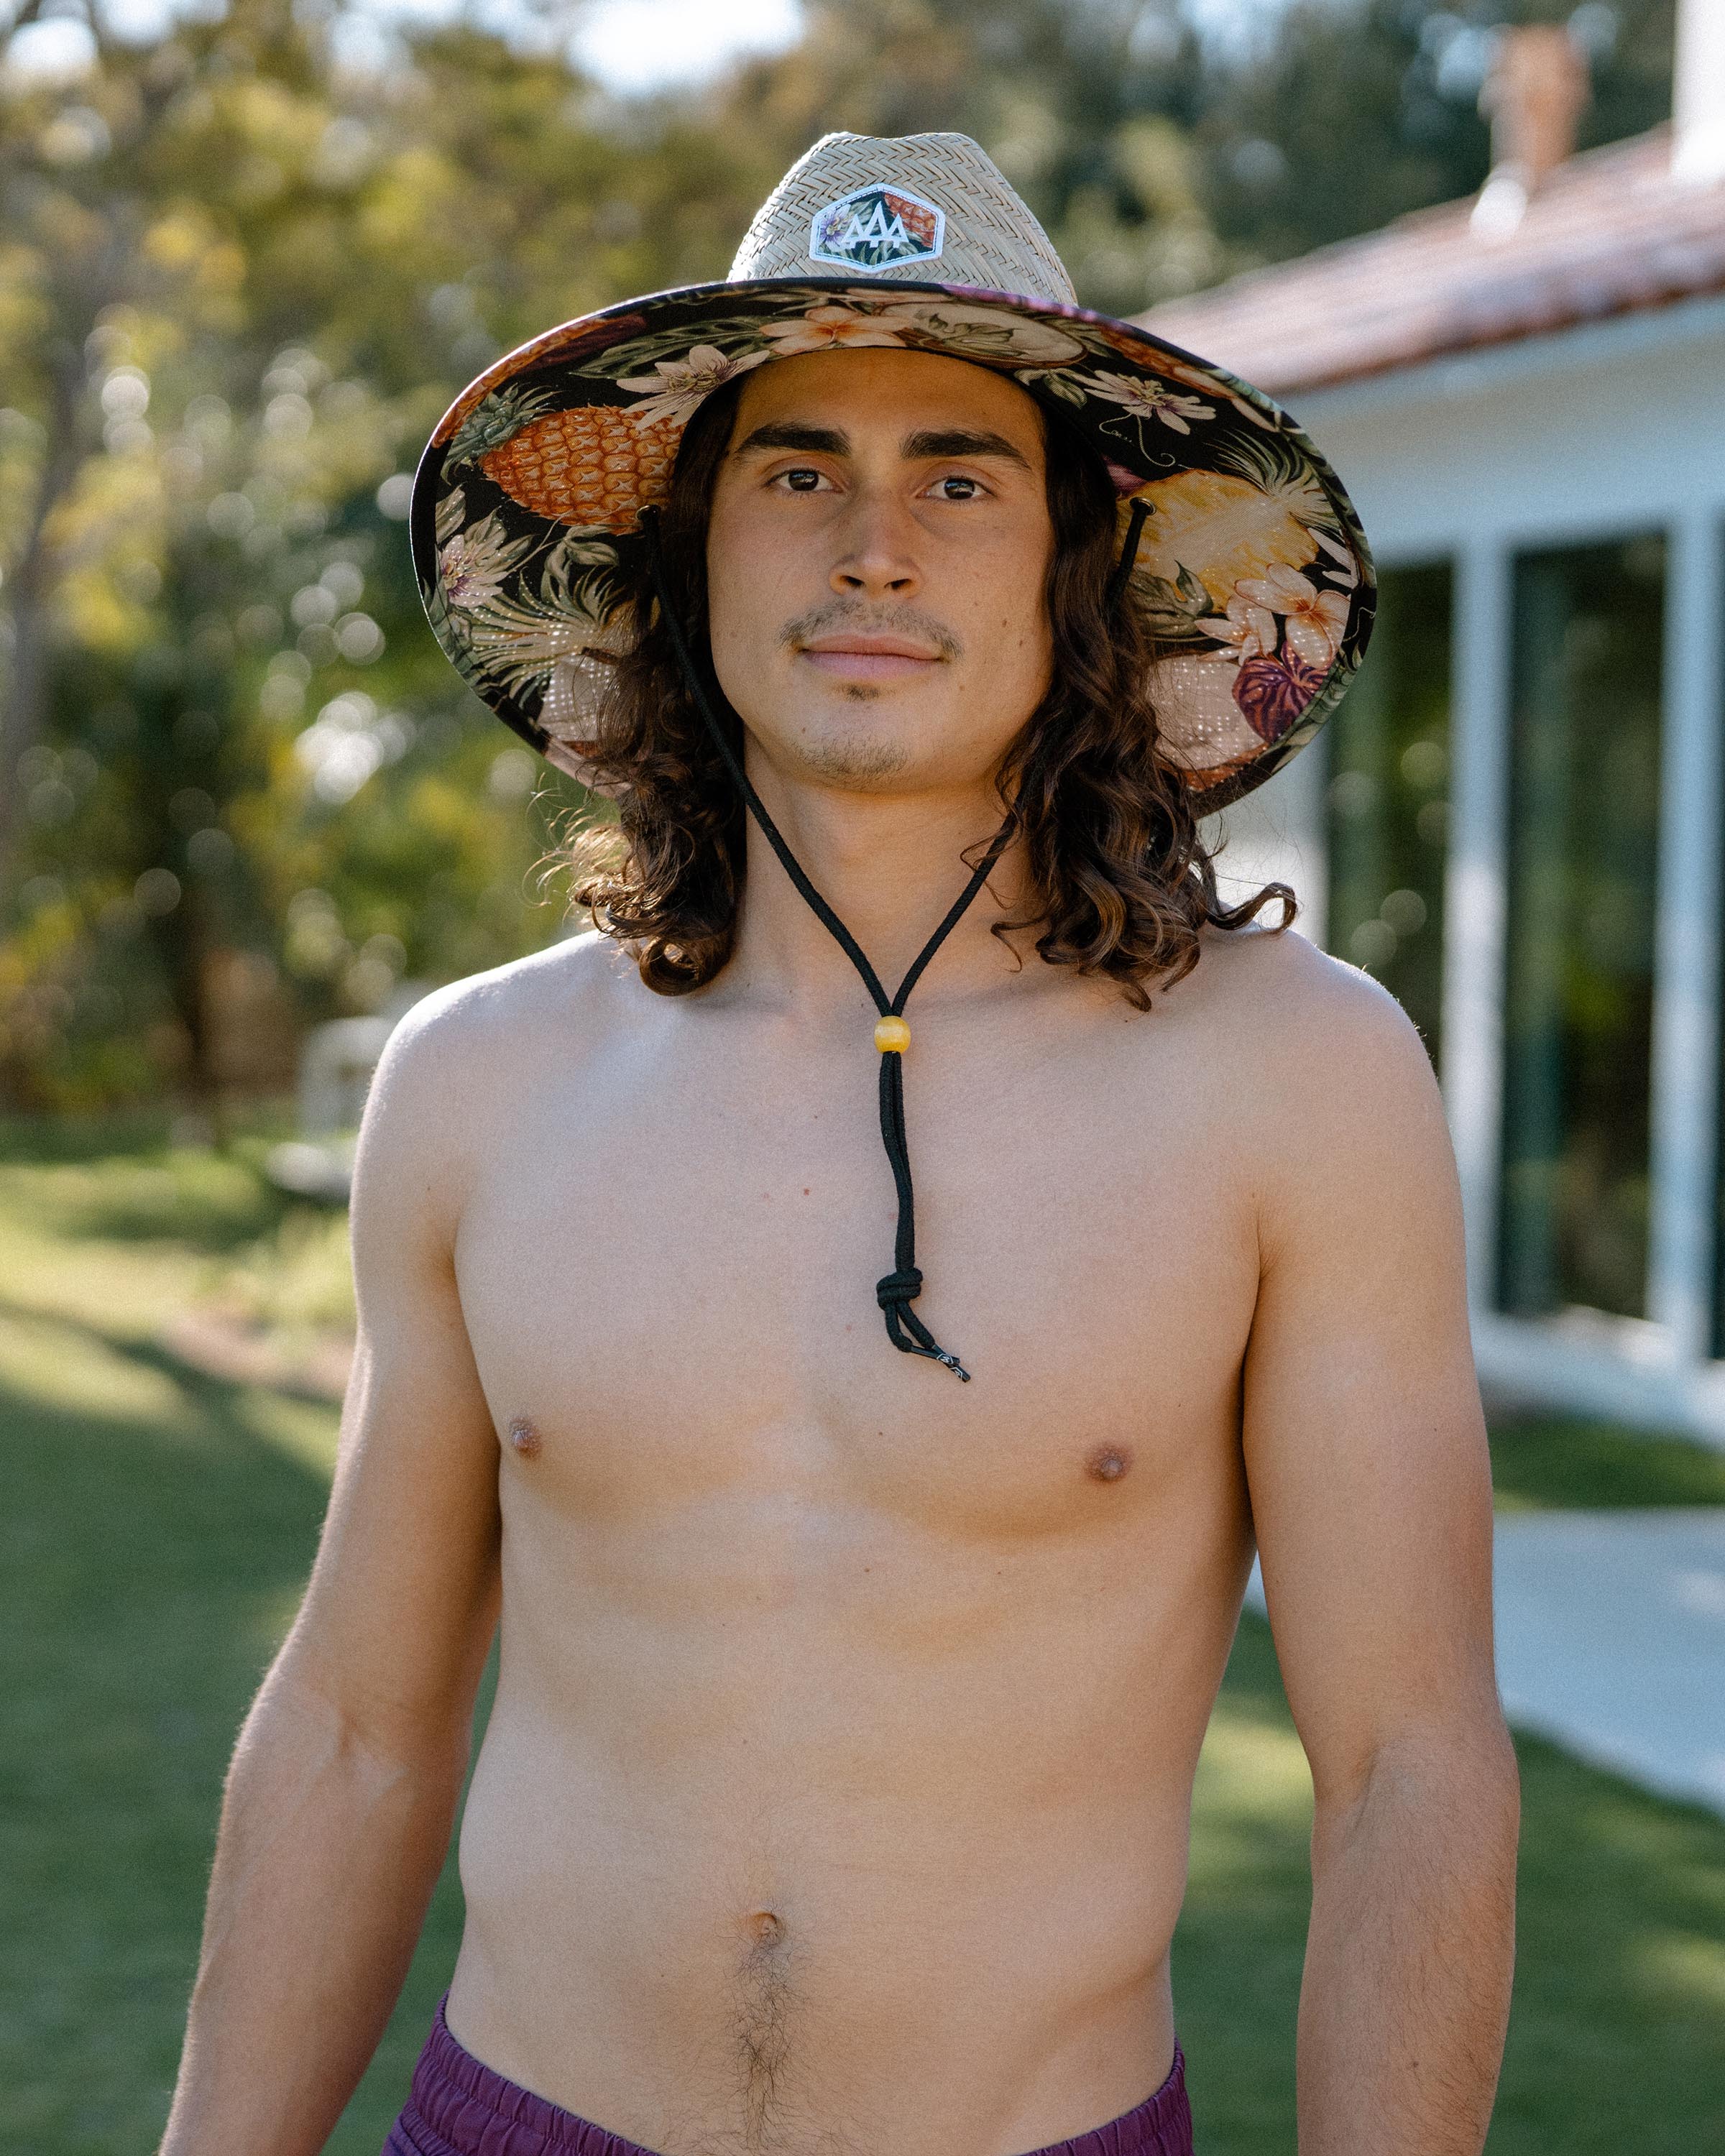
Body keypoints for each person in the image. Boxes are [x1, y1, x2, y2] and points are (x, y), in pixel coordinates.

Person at [160, 134, 1517, 2156]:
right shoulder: (476, 1083)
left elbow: (1408, 1764)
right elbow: (359, 1733)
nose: (872, 548)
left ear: (1079, 566)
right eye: (798, 471)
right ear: (688, 552)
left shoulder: (1295, 1083)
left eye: (957, 478)